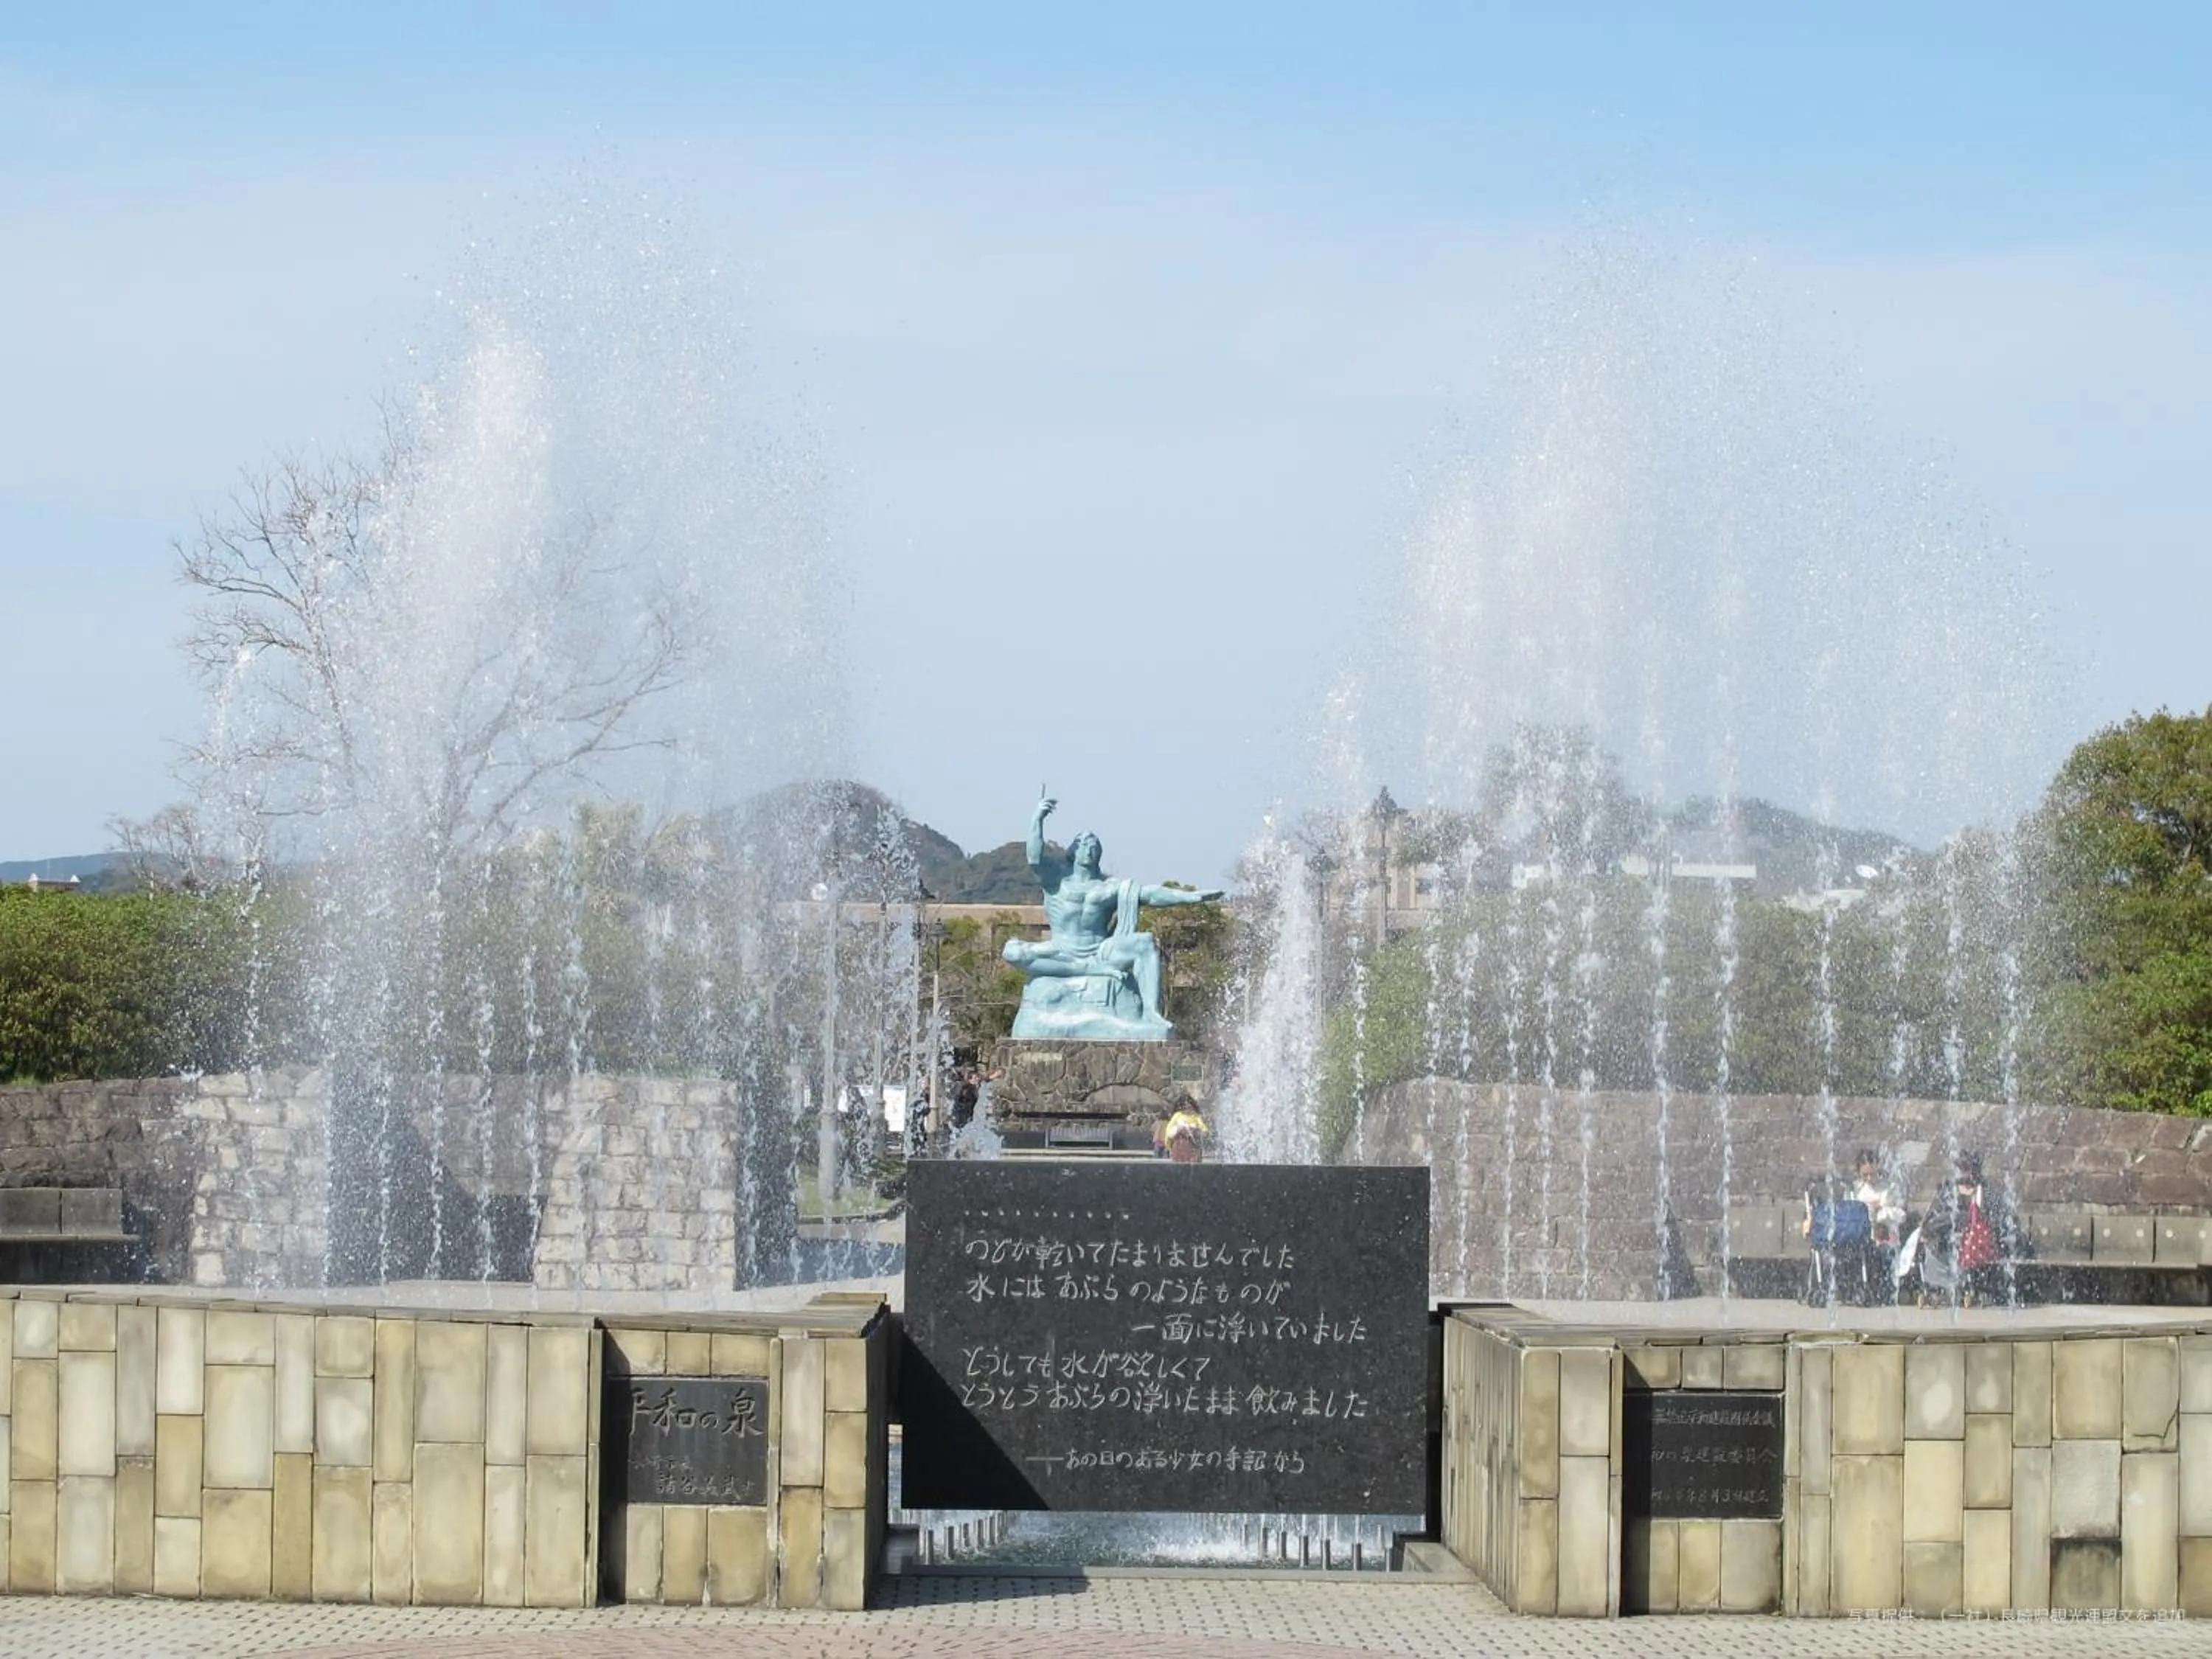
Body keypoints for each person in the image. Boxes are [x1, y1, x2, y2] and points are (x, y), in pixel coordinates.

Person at [1001, 794, 1224, 1040]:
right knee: (1012, 952)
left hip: (1101, 952)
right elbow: (1034, 857)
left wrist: (1189, 898)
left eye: (1094, 846)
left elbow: (1150, 894)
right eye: (1084, 845)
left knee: (1145, 943)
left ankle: (1151, 1013)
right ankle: (1085, 969)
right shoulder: (1056, 880)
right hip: (1061, 951)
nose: (1089, 850)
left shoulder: (1109, 887)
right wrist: (1038, 818)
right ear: (1073, 852)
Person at [1907, 1151, 2021, 1307]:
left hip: (1977, 1242)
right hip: (1945, 1239)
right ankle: (1937, 1288)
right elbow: (1932, 1218)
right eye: (1962, 1169)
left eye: (1969, 1169)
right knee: (1933, 1242)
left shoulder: (1988, 1193)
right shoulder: (1947, 1192)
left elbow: (2001, 1219)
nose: (1966, 1173)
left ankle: (1973, 1287)